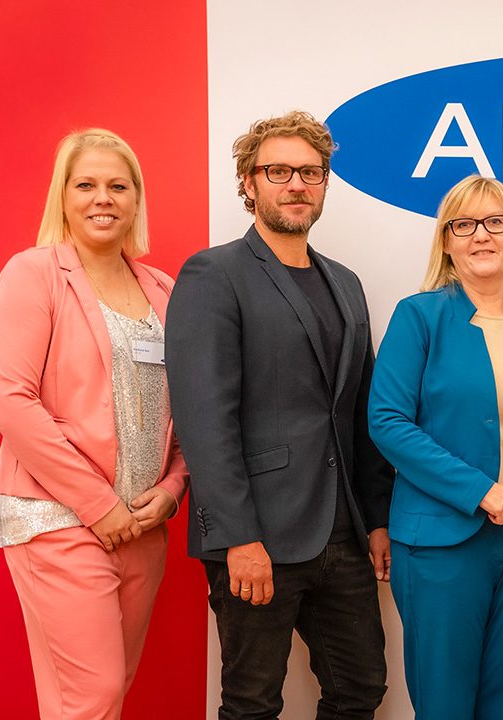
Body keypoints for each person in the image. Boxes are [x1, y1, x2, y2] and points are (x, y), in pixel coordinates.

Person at [166, 111, 393, 719]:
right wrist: (239, 537)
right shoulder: (213, 274)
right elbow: (203, 418)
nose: (296, 184)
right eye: (279, 171)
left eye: (311, 172)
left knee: (360, 689)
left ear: (325, 182)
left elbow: (359, 411)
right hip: (256, 535)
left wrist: (374, 519)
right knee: (251, 703)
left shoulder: (345, 283)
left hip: (342, 533)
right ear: (249, 181)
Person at [0, 128, 188, 719]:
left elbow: (191, 409)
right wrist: (100, 505)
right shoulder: (34, 273)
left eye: (118, 186)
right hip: (58, 517)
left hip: (142, 526)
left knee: (97, 695)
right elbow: (11, 399)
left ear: (136, 199)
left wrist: (171, 491)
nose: (104, 198)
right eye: (87, 184)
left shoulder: (163, 290)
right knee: (93, 696)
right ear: (63, 196)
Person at [368, 175, 503, 719]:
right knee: (444, 707)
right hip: (442, 544)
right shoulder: (419, 316)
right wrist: (481, 490)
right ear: (446, 241)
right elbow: (388, 422)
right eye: (464, 225)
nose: (480, 235)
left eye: (495, 222)